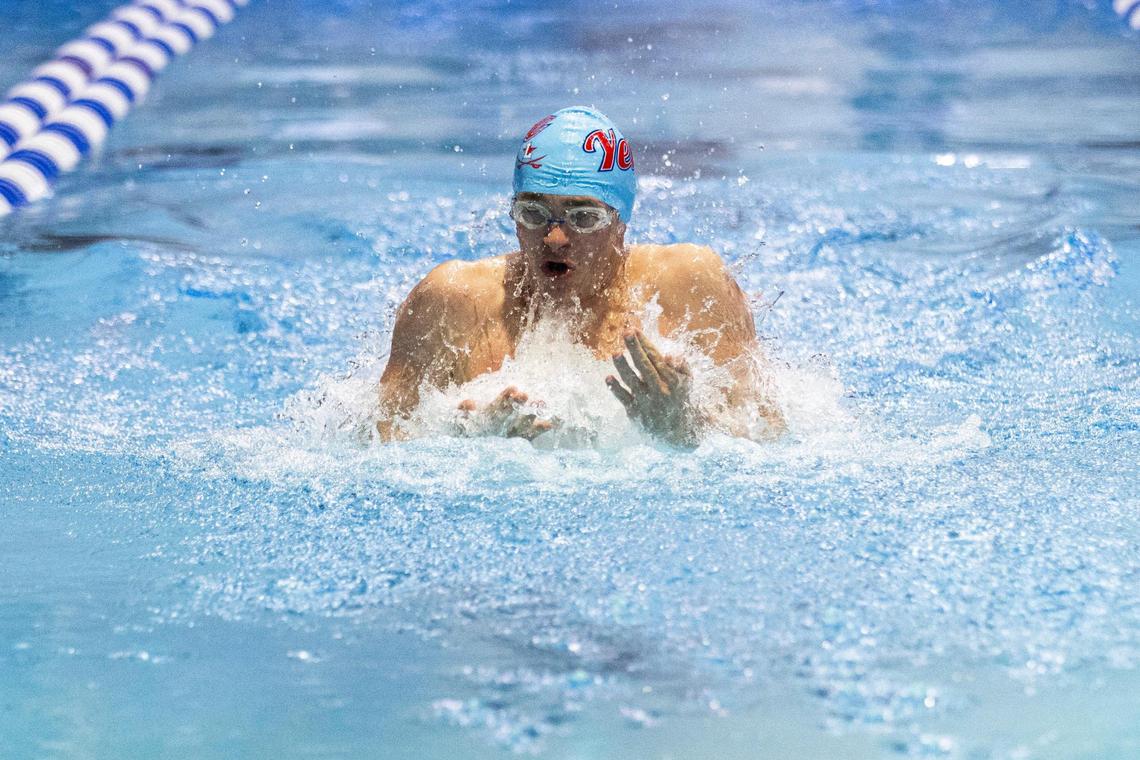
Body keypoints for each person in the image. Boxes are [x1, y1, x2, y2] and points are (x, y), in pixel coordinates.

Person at [376, 106, 784, 446]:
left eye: (584, 217)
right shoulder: (453, 301)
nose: (554, 238)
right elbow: (376, 444)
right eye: (533, 213)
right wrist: (466, 438)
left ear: (621, 223)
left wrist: (683, 427)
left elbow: (770, 435)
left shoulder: (690, 284)